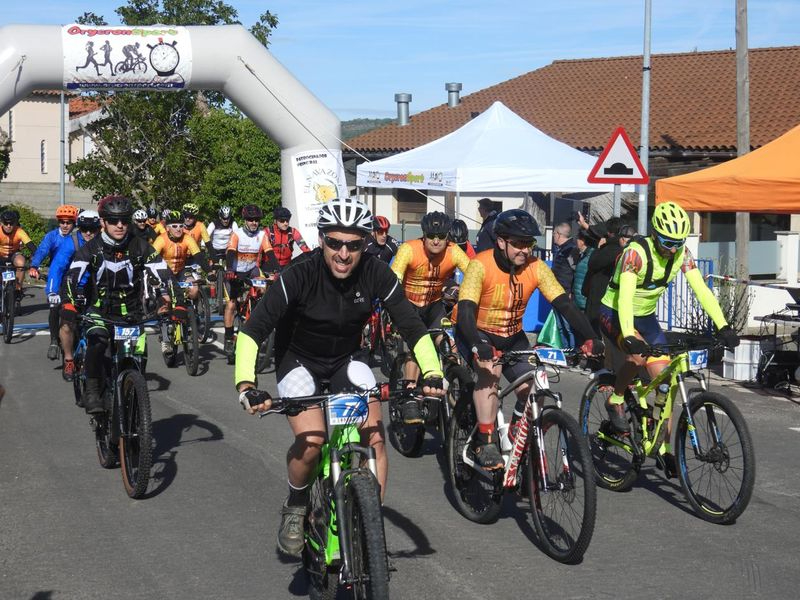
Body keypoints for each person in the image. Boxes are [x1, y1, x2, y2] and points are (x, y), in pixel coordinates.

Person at [234, 197, 444, 557]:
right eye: (335, 243)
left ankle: (368, 527)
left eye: (354, 245)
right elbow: (253, 330)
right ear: (321, 240)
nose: (344, 254)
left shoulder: (376, 272)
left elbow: (410, 323)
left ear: (365, 244)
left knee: (375, 439)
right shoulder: (298, 274)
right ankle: (297, 504)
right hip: (298, 361)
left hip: (347, 360)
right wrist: (247, 385)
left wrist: (433, 371)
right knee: (312, 441)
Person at [599, 201, 739, 477]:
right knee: (637, 356)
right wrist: (628, 334)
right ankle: (615, 398)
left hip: (646, 316)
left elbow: (701, 290)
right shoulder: (635, 254)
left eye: (678, 242)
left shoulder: (681, 255)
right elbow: (625, 297)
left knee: (666, 380)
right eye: (667, 241)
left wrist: (723, 325)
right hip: (615, 311)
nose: (673, 248)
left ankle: (663, 448)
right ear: (654, 234)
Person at [455, 209, 603, 469]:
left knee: (537, 386)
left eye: (529, 243)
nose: (525, 250)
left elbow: (565, 306)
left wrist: (589, 337)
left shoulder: (536, 267)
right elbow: (466, 310)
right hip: (477, 332)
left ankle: (515, 433)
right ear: (501, 241)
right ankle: (485, 438)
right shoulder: (481, 264)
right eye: (518, 243)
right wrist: (478, 344)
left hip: (512, 336)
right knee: (490, 373)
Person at [62, 196, 184, 415]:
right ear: (103, 222)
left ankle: (133, 411)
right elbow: (72, 277)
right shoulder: (91, 248)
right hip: (99, 312)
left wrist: (179, 304)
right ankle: (93, 390)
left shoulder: (140, 246)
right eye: (113, 220)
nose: (120, 225)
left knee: (138, 361)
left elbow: (165, 275)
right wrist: (68, 305)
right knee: (98, 344)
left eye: (124, 221)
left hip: (133, 315)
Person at [391, 211, 470, 423]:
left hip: (434, 306)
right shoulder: (408, 249)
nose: (436, 240)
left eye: (442, 236)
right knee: (414, 350)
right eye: (432, 235)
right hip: (408, 306)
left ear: (448, 237)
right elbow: (395, 278)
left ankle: (457, 395)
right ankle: (409, 397)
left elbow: (474, 275)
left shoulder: (454, 252)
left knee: (448, 346)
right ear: (423, 235)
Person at [222, 205, 279, 357]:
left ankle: (257, 312)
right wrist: (229, 270)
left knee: (265, 287)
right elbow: (231, 252)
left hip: (252, 270)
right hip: (235, 271)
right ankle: (228, 337)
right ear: (245, 220)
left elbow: (270, 253)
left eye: (256, 220)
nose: (254, 222)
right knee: (231, 304)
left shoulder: (262, 234)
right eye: (251, 219)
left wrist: (277, 270)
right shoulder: (237, 234)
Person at [54, 210, 101, 381]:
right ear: (79, 228)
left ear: (99, 229)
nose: (88, 233)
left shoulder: (106, 244)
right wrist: (51, 290)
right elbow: (57, 268)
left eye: (92, 229)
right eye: (84, 229)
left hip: (96, 291)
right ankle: (68, 358)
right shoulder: (70, 243)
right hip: (72, 289)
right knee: (67, 324)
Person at [28, 204, 80, 360]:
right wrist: (34, 266)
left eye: (68, 222)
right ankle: (53, 342)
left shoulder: (77, 237)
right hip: (56, 276)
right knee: (54, 307)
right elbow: (42, 250)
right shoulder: (51, 236)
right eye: (62, 222)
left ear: (74, 223)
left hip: (74, 277)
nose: (65, 225)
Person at [152, 210, 207, 305]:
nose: (178, 229)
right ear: (167, 228)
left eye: (181, 226)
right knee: (167, 300)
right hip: (164, 273)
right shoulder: (161, 239)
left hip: (181, 271)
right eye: (174, 226)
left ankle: (192, 310)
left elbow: (198, 256)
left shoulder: (187, 238)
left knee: (194, 289)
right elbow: (150, 259)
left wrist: (209, 272)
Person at [551, 221, 579, 349]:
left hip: (565, 294)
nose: (553, 236)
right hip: (556, 292)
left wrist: (570, 291)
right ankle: (566, 352)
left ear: (558, 234)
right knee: (561, 326)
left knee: (568, 326)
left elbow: (576, 272)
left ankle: (573, 352)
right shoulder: (561, 249)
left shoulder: (570, 250)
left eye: (553, 234)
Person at [0, 209, 36, 310]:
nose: (8, 226)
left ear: (15, 223)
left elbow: (31, 246)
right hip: (0, 255)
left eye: (11, 223)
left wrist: (35, 259)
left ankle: (18, 288)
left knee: (21, 262)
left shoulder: (19, 231)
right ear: (2, 223)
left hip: (13, 255)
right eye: (6, 223)